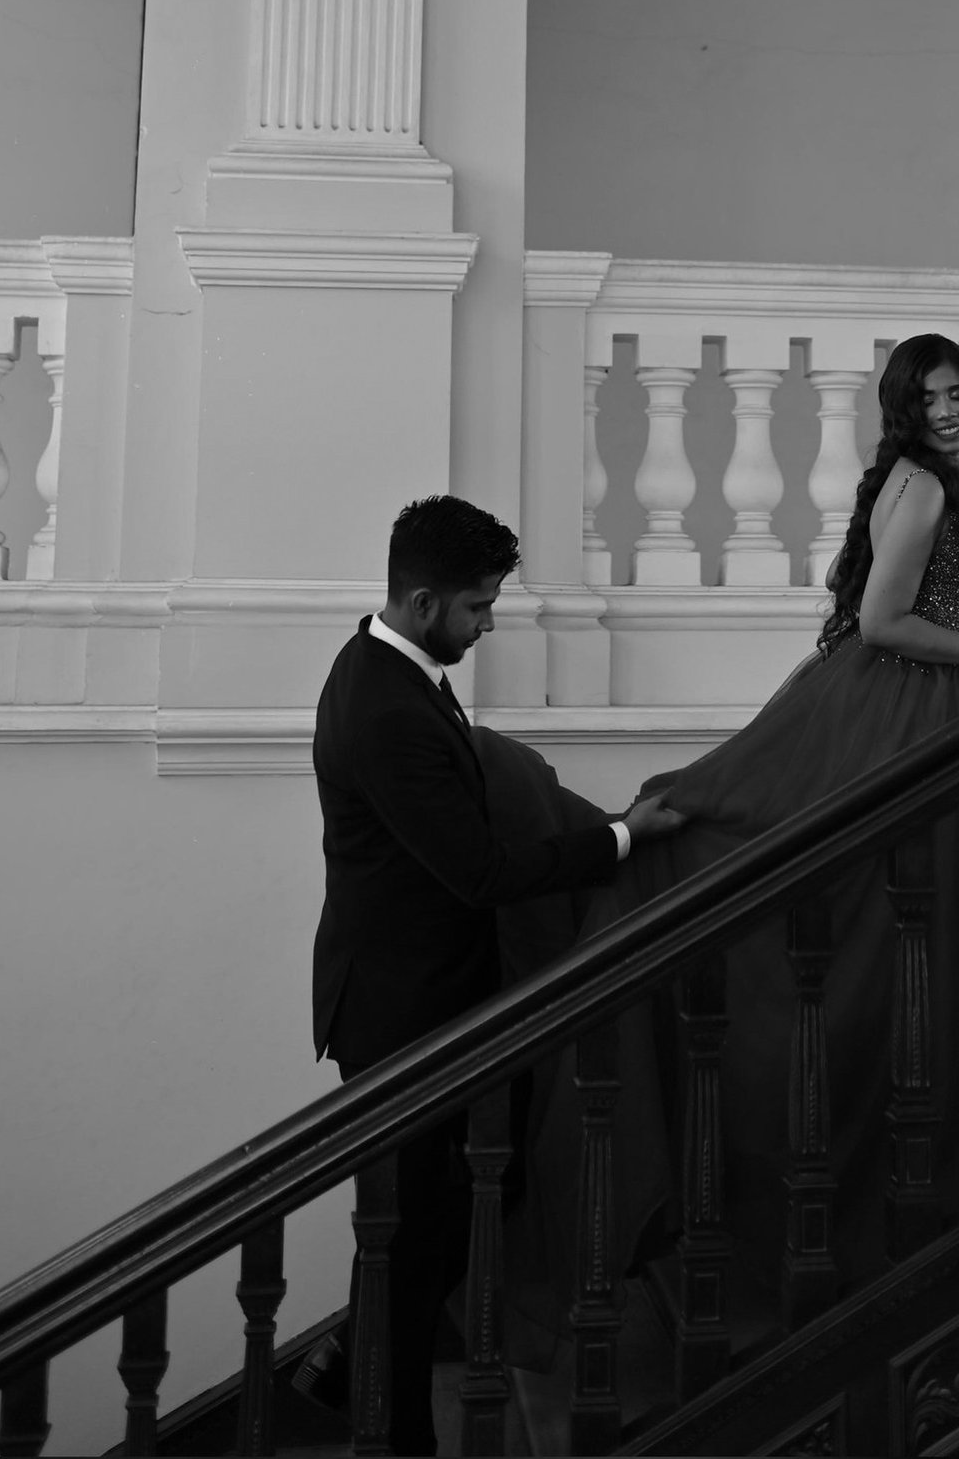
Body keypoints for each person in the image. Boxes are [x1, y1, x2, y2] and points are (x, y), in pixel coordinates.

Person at [521, 335, 959, 1308]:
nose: (950, 409)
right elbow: (880, 621)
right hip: (913, 694)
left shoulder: (926, 478)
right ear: (904, 405)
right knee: (913, 890)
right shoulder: (919, 485)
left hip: (922, 689)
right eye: (932, 396)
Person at [306, 494, 684, 1457]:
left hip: (431, 997)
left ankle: (352, 1364)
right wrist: (618, 837)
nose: (486, 625)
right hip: (401, 1010)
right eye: (478, 607)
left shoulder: (393, 669)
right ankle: (390, 1430)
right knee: (407, 1233)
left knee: (449, 1206)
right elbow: (477, 871)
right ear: (424, 602)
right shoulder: (385, 706)